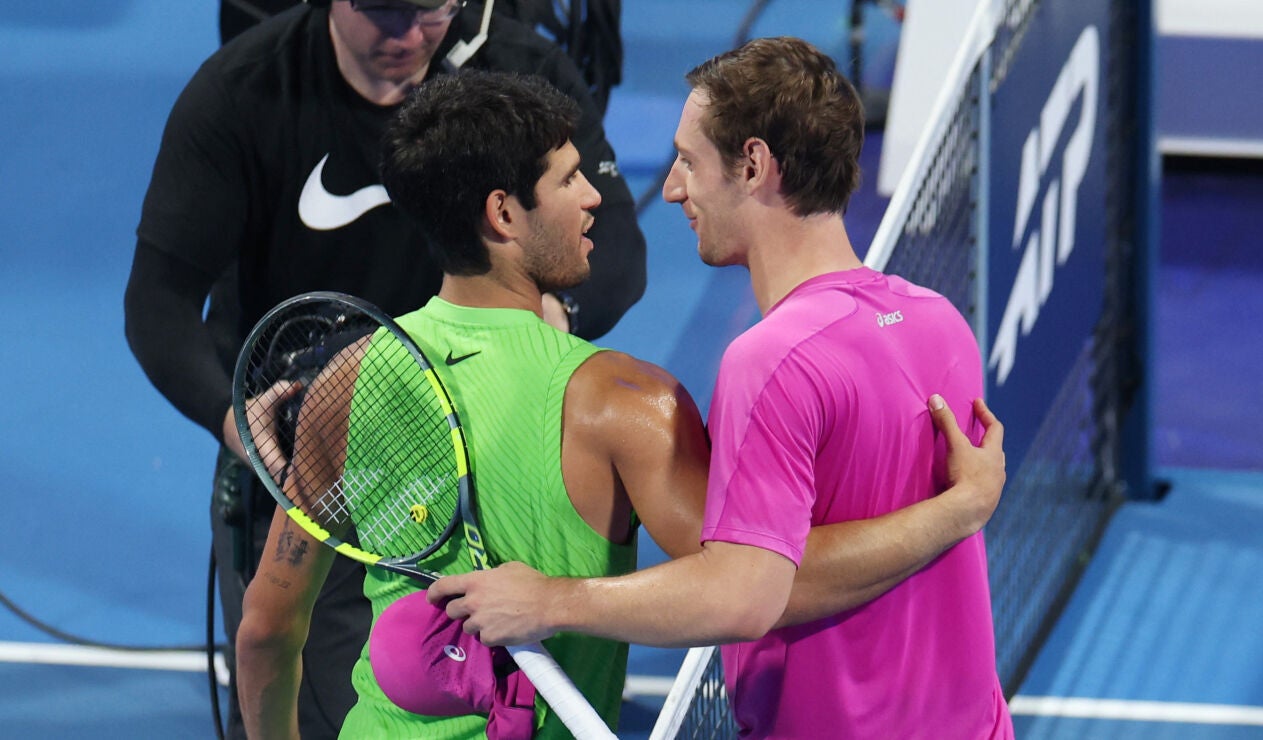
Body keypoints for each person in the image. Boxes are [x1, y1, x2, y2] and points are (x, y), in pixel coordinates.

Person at [236, 69, 1007, 738]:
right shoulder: (629, 404)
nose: (597, 197)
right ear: (504, 216)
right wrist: (956, 511)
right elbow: (763, 588)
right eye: (569, 179)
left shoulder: (348, 383)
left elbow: (268, 631)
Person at [123, 1, 645, 737]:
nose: (403, 36)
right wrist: (236, 420)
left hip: (480, 456)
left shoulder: (522, 79)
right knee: (295, 702)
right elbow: (158, 303)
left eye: (426, 10)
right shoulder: (242, 92)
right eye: (379, 10)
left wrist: (548, 323)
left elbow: (616, 249)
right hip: (311, 449)